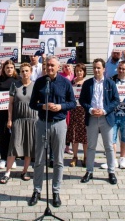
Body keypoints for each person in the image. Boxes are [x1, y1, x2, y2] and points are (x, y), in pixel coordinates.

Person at [28, 56, 76, 208]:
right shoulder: (41, 82)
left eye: (52, 66)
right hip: (43, 122)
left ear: (58, 67)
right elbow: (32, 103)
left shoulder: (65, 82)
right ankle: (37, 190)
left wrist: (60, 107)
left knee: (58, 160)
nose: (49, 68)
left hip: (59, 123)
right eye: (47, 65)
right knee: (40, 159)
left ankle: (55, 191)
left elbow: (73, 103)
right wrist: (43, 106)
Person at [79, 58, 119, 185]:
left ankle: (111, 171)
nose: (96, 70)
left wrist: (105, 110)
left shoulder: (110, 83)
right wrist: (90, 109)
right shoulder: (87, 83)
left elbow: (115, 100)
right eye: (95, 68)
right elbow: (82, 100)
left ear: (104, 69)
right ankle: (89, 171)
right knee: (91, 146)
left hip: (105, 118)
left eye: (99, 68)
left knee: (109, 146)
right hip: (92, 118)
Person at [0, 63, 38, 184]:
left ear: (31, 72)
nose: (24, 73)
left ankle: (25, 170)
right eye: (22, 71)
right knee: (14, 146)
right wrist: (10, 119)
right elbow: (10, 104)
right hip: (18, 119)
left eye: (27, 71)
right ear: (20, 73)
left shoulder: (35, 86)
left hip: (32, 119)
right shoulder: (15, 85)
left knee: (28, 146)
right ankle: (7, 172)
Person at [0, 59, 20, 169]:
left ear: (14, 68)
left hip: (15, 111)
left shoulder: (18, 79)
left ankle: (13, 158)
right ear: (4, 69)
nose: (9, 70)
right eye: (7, 68)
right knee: (3, 135)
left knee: (14, 135)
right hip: (2, 111)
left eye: (11, 68)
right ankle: (3, 158)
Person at [66, 63, 88, 167]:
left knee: (84, 136)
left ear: (84, 72)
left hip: (84, 112)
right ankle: (74, 156)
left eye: (81, 71)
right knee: (74, 135)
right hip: (74, 112)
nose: (79, 72)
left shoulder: (87, 83)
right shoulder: (71, 83)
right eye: (77, 70)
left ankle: (86, 157)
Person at [59, 63, 74, 155]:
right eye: (65, 66)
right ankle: (61, 145)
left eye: (69, 66)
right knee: (64, 125)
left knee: (70, 127)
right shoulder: (61, 76)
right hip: (64, 104)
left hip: (72, 105)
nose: (67, 68)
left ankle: (67, 147)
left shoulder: (74, 77)